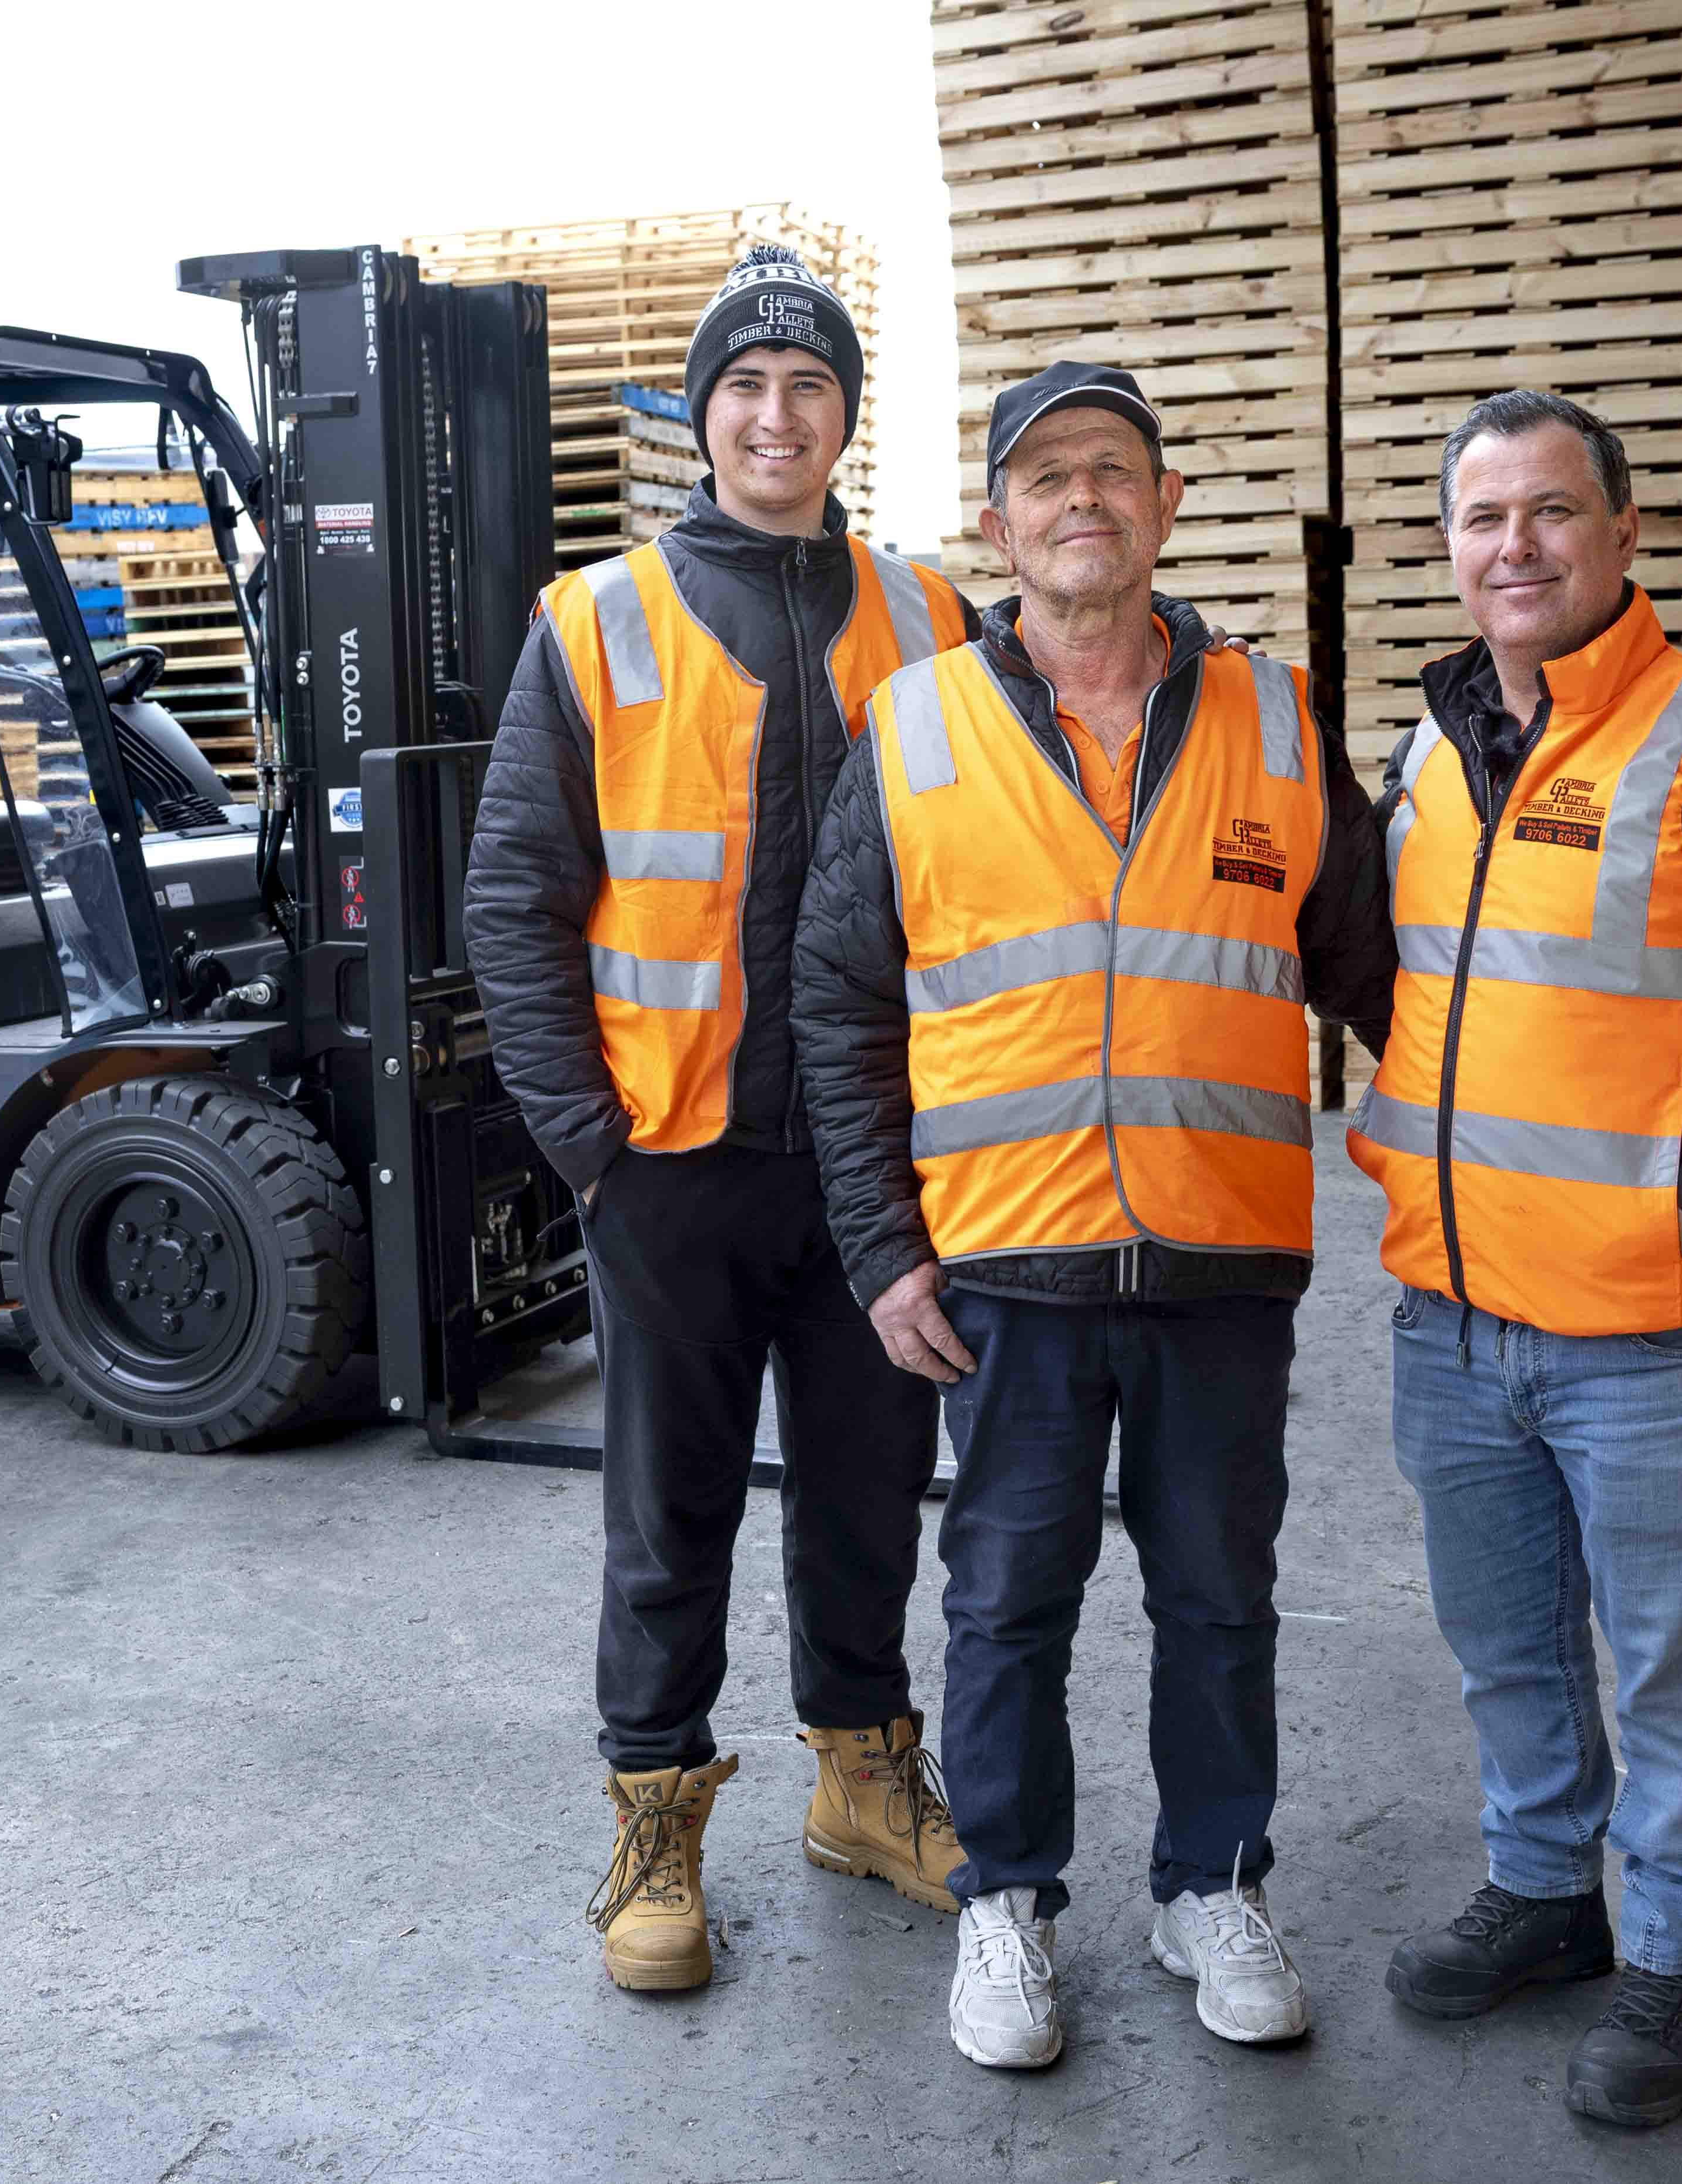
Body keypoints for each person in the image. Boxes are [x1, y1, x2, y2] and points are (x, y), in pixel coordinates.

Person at [795, 361, 1395, 2069]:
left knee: (1220, 1596)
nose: (1082, 497)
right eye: (1047, 474)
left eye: (1114, 469)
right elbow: (839, 1004)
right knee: (1006, 1602)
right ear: (999, 526)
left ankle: (1212, 1882)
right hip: (1008, 1266)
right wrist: (881, 1248)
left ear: (1166, 506)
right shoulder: (916, 729)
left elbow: (1378, 975)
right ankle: (1007, 1895)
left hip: (1222, 1259)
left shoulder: (1275, 720)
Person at [1350, 388, 1682, 2128]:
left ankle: (1678, 1968)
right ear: (1451, 549)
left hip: (1651, 1331)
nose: (1514, 546)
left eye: (1551, 511)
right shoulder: (1431, 754)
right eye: (1482, 518)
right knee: (1508, 1647)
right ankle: (1547, 1896)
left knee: (1671, 1673)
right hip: (1454, 1315)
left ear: (1625, 533)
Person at [462, 245, 976, 1994]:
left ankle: (860, 1779)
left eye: (810, 384)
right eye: (744, 386)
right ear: (701, 416)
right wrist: (590, 1146)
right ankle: (655, 1823)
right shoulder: (597, 619)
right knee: (668, 1515)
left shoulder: (932, 620)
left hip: (876, 1176)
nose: (776, 414)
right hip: (671, 1166)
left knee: (871, 1492)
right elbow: (516, 897)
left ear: (844, 415)